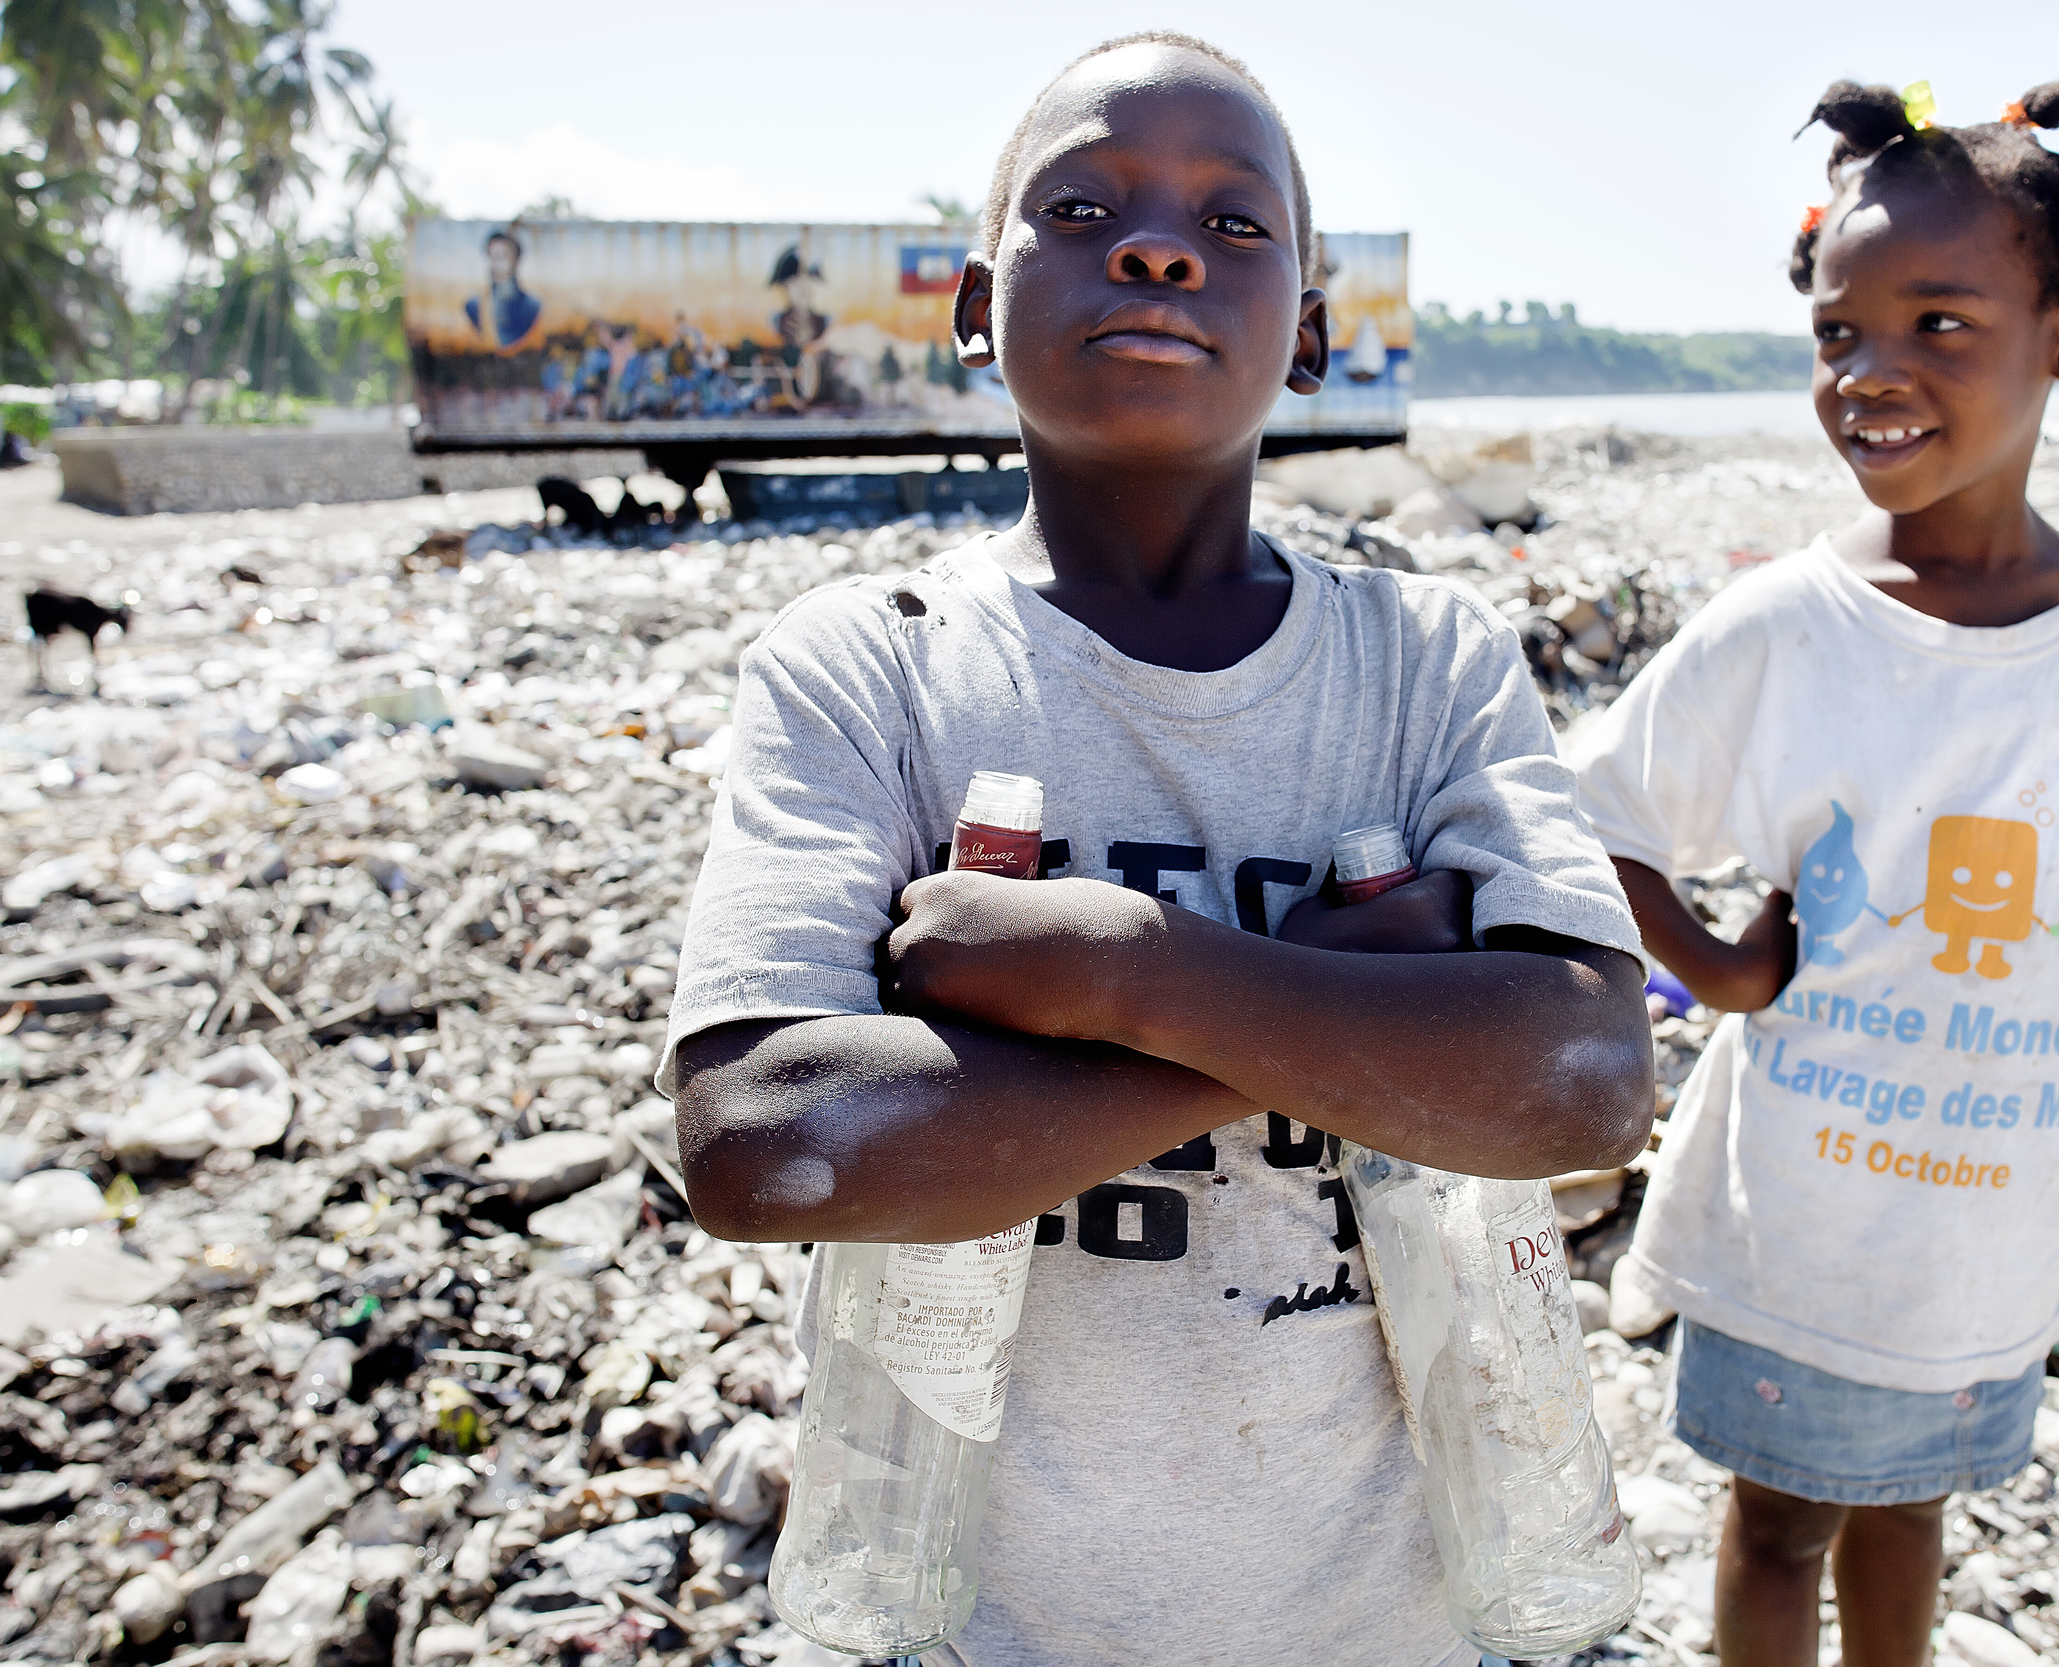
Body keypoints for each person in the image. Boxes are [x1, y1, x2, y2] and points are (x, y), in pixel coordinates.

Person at [664, 32, 1655, 1667]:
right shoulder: (868, 666)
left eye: (1235, 222)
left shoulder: (1427, 663)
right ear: (976, 308)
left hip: (1386, 1619)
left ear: (1315, 335)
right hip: (992, 1624)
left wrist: (1121, 969)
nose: (1157, 243)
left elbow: (1585, 1076)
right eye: (1081, 205)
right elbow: (760, 1138)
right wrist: (1326, 1000)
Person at [1573, 79, 2059, 1667]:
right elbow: (1586, 811)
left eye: (1937, 322)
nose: (1873, 373)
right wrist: (1709, 970)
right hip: (1805, 1216)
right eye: (1839, 333)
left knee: (1918, 1505)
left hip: (1999, 1219)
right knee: (1779, 1521)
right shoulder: (1787, 620)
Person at [463, 228, 542, 349]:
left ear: (516, 260)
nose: (497, 263)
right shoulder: (473, 305)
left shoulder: (531, 305)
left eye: (503, 257)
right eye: (493, 256)